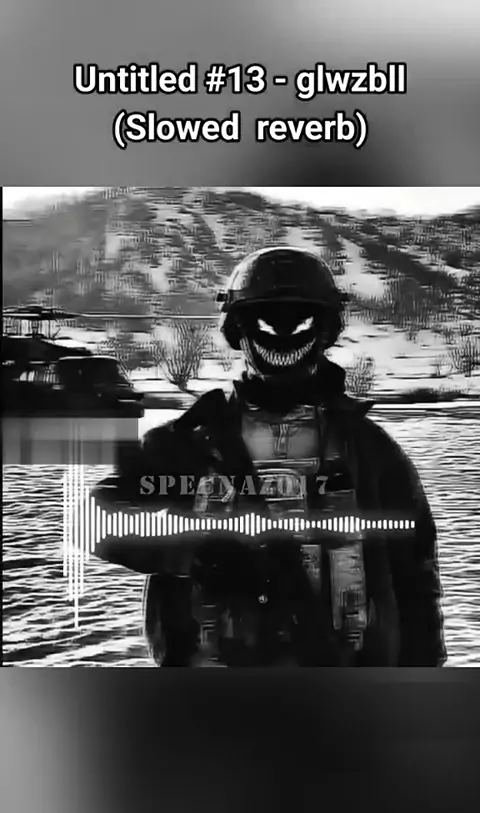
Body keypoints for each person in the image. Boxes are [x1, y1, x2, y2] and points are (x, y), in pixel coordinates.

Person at [92, 246, 447, 667]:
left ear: (326, 330)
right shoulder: (187, 444)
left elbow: (416, 581)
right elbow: (95, 520)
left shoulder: (371, 451)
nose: (283, 335)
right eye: (265, 319)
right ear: (237, 330)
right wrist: (194, 546)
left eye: (301, 319)